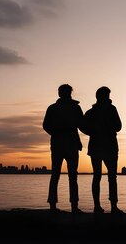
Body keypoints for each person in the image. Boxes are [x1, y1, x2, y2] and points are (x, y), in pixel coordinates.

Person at [80, 86, 124, 215]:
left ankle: (108, 206)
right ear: (101, 96)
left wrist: (93, 131)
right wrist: (93, 131)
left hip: (104, 145)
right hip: (103, 145)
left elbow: (118, 126)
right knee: (104, 176)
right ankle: (101, 206)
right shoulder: (99, 111)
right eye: (107, 95)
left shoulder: (98, 111)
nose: (108, 97)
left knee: (104, 176)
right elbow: (82, 126)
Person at [42, 84, 84, 214]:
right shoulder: (72, 107)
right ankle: (72, 207)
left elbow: (46, 125)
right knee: (69, 176)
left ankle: (55, 206)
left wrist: (55, 133)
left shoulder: (55, 108)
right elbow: (82, 124)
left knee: (58, 175)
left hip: (61, 144)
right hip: (66, 144)